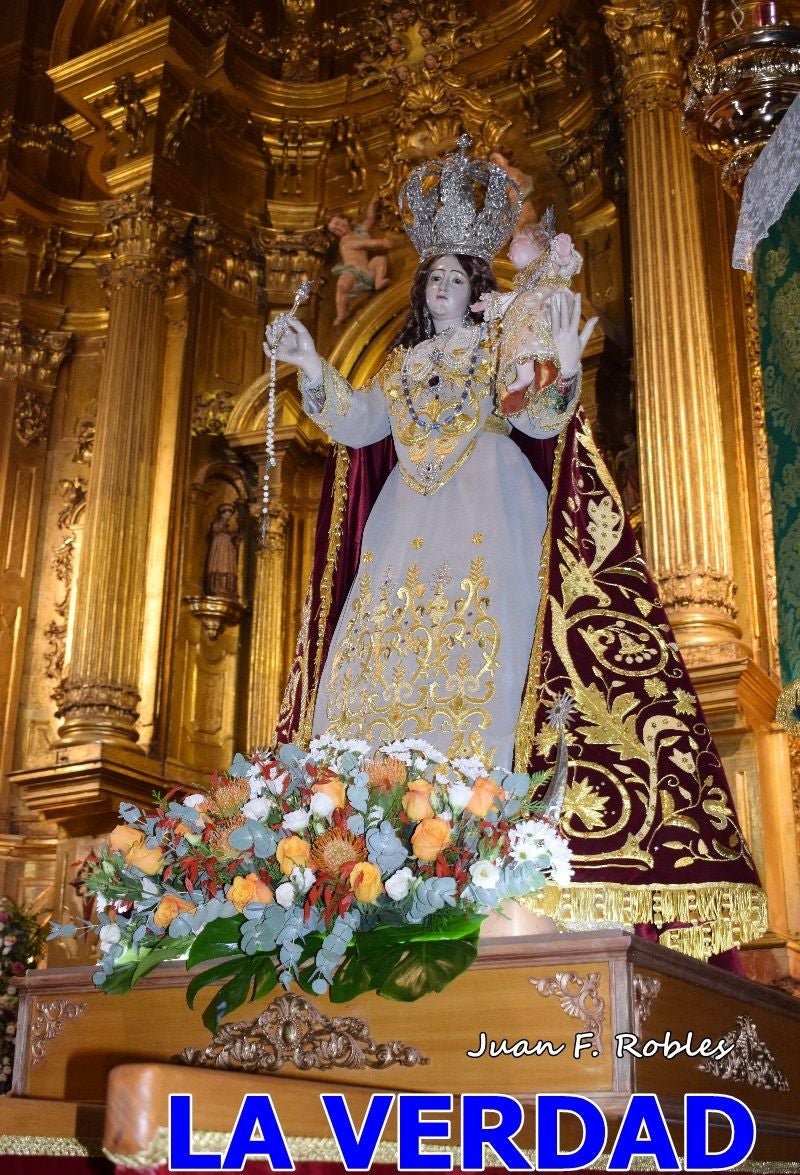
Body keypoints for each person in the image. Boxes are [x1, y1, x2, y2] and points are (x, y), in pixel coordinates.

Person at [265, 137, 766, 961]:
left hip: (488, 507)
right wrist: (310, 360)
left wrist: (564, 364)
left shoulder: (499, 344)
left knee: (497, 662)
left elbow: (539, 421)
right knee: (377, 671)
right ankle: (368, 858)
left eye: (459, 275)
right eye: (435, 279)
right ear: (425, 294)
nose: (446, 286)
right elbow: (356, 424)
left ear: (477, 284)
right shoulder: (400, 365)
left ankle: (490, 857)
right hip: (402, 528)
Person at [327, 196, 392, 327]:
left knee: (379, 260)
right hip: (352, 270)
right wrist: (381, 243)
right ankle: (341, 314)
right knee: (342, 285)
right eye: (335, 230)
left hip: (366, 270)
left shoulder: (359, 232)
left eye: (339, 224)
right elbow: (363, 244)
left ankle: (379, 280)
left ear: (346, 219)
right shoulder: (345, 241)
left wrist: (372, 204)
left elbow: (370, 219)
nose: (338, 229)